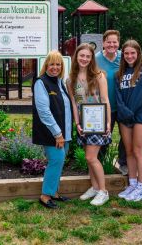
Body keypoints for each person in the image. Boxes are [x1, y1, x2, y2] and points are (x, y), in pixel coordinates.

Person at [67, 43, 111, 206]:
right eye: (82, 56)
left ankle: (103, 191)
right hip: (83, 124)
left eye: (88, 56)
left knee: (91, 157)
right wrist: (77, 123)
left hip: (98, 122)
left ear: (92, 58)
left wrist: (107, 121)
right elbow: (73, 103)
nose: (84, 59)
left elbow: (105, 100)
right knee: (89, 158)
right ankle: (94, 187)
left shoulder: (99, 76)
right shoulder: (70, 79)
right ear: (76, 57)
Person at [114, 40, 142, 202]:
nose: (130, 56)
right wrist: (124, 111)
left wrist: (130, 112)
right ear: (122, 55)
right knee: (129, 151)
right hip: (125, 117)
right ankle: (132, 184)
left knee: (138, 151)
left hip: (141, 116)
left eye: (133, 53)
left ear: (138, 53)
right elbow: (118, 95)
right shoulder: (120, 74)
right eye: (126, 53)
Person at [33, 50, 72, 209]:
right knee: (56, 160)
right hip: (52, 133)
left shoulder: (60, 82)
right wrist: (57, 133)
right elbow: (44, 111)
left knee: (60, 161)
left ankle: (54, 192)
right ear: (46, 65)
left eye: (58, 64)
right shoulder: (41, 82)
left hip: (64, 133)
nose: (55, 67)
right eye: (52, 64)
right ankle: (45, 195)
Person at [95, 30, 128, 175]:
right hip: (102, 106)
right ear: (103, 43)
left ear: (118, 43)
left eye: (115, 42)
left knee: (125, 137)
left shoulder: (124, 57)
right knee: (102, 138)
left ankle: (123, 162)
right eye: (109, 42)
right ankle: (99, 165)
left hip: (122, 104)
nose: (112, 45)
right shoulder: (96, 59)